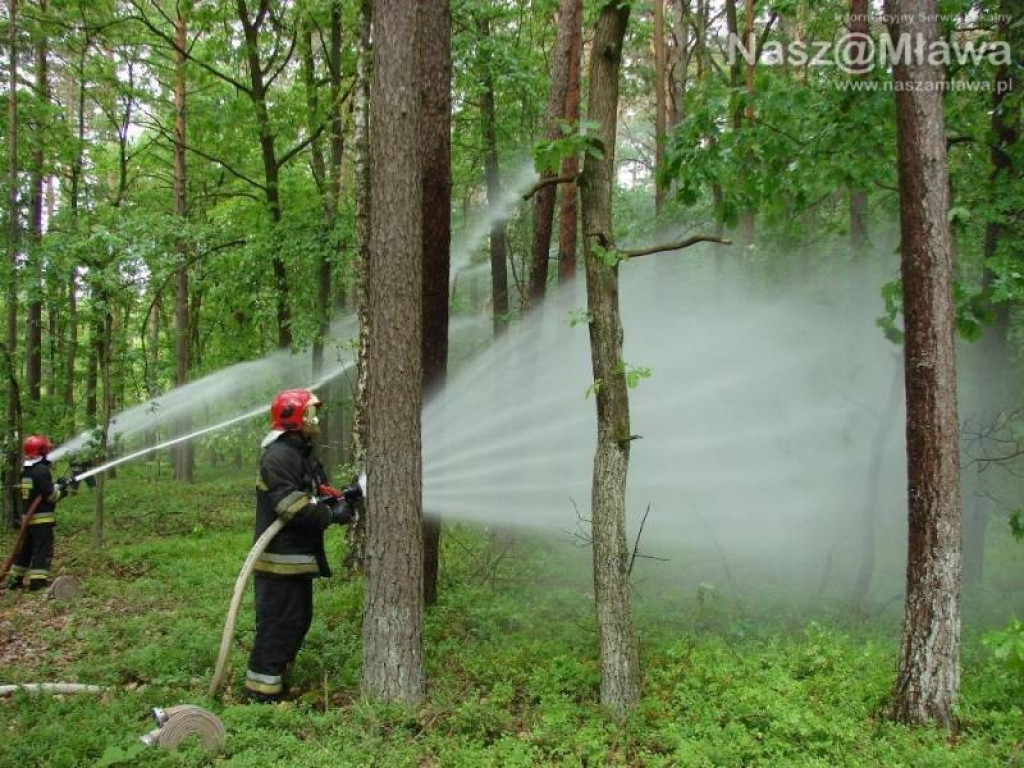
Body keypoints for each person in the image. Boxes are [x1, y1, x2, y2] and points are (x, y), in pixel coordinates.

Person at [244, 388, 362, 702]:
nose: (316, 418)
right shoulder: (279, 455)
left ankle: (277, 683)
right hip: (278, 561)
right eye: (311, 412)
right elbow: (290, 506)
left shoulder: (300, 452)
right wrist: (330, 515)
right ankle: (261, 696)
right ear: (294, 417)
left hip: (294, 560)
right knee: (276, 627)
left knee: (295, 622)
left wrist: (340, 497)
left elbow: (313, 490)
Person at [6, 435, 75, 591]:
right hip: (41, 520)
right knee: (42, 550)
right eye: (46, 450)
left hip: (29, 519)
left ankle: (14, 580)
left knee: (27, 550)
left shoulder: (27, 470)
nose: (48, 453)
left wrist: (57, 484)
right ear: (41, 451)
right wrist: (62, 491)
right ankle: (37, 583)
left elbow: (41, 490)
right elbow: (51, 496)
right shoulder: (41, 471)